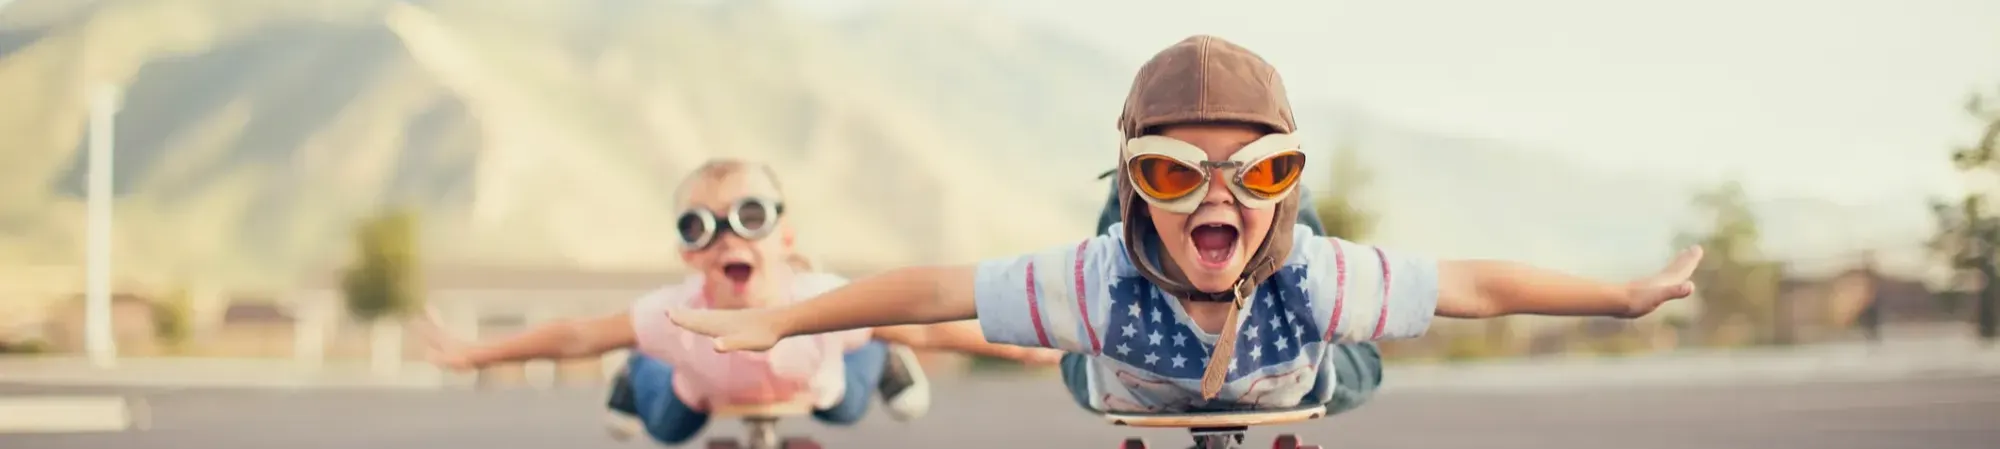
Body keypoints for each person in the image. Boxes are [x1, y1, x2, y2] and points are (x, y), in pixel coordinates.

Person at [664, 35, 1704, 414]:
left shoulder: (1323, 280)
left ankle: (1252, 209)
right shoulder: (1088, 282)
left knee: (1351, 358)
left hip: (1294, 361)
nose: (1216, 195)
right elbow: (927, 288)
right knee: (1085, 327)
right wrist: (780, 321)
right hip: (1121, 359)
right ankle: (1142, 204)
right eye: (1171, 169)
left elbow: (1479, 284)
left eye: (1256, 172)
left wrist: (1618, 294)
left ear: (1287, 175)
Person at [415, 158, 1061, 444]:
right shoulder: (675, 311)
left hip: (817, 375)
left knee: (850, 397)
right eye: (701, 226)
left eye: (748, 216)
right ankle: (636, 377)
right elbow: (578, 336)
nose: (727, 236)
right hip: (698, 388)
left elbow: (930, 329)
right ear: (689, 253)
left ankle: (878, 360)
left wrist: (1022, 345)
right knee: (667, 428)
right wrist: (480, 353)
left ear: (785, 237)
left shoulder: (819, 299)